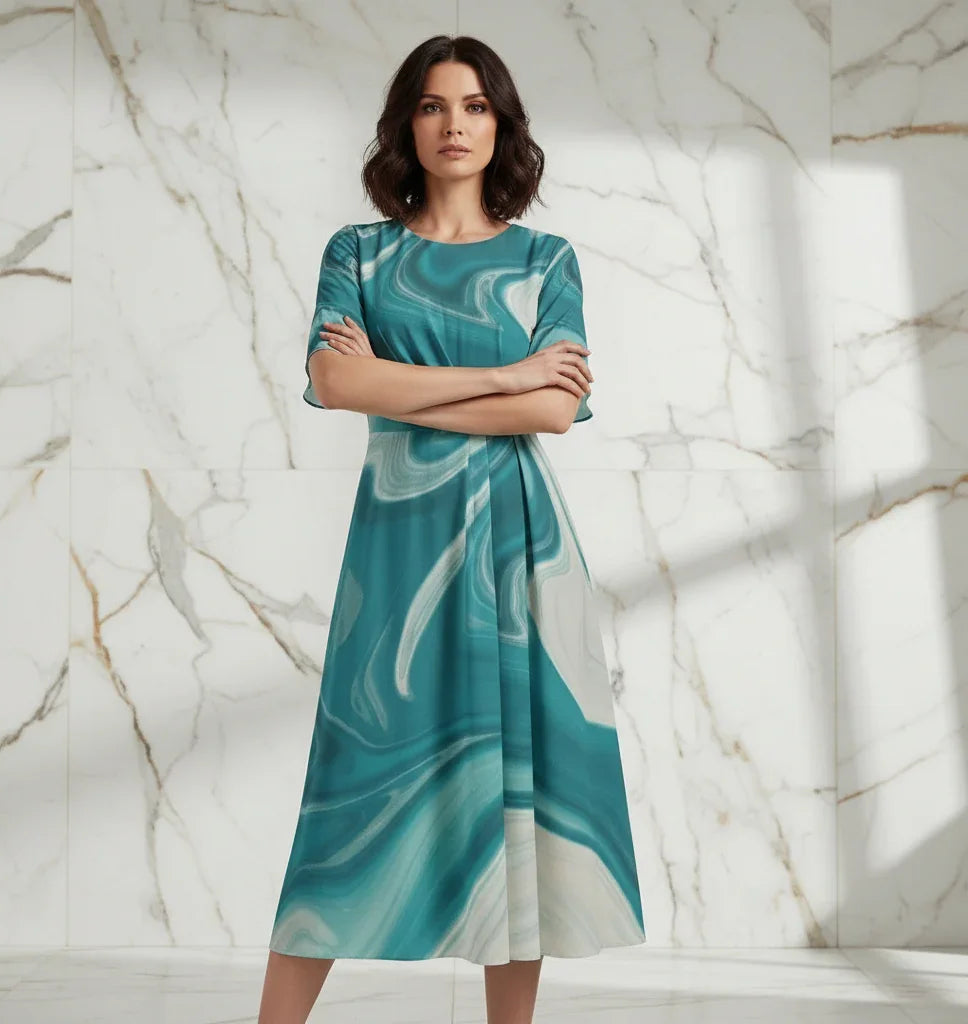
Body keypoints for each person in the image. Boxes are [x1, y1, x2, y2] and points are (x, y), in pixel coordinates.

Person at [257, 34, 645, 1024]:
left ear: (501, 124)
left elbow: (553, 413)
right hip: (396, 549)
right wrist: (506, 374)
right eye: (433, 107)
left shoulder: (543, 257)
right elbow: (335, 381)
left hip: (521, 551)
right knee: (352, 792)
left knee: (514, 798)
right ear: (406, 125)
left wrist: (418, 387)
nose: (454, 125)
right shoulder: (358, 253)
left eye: (474, 106)